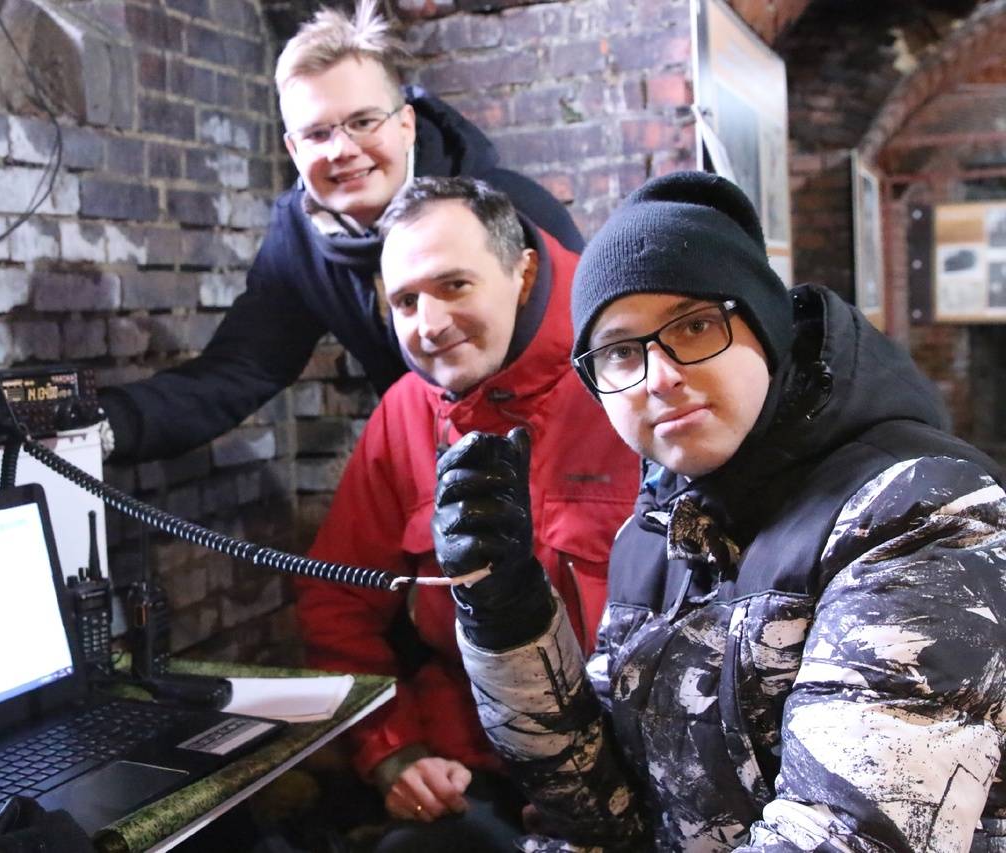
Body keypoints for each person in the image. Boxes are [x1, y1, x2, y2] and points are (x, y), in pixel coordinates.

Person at [431, 171, 1006, 850]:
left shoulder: (920, 512)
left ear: (765, 325)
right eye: (620, 351)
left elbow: (847, 836)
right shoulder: (655, 531)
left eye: (696, 325)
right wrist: (509, 620)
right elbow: (599, 808)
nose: (660, 376)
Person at [294, 177, 638, 851]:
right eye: (405, 300)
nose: (429, 324)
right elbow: (338, 604)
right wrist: (394, 752)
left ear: (522, 272)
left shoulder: (627, 381)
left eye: (454, 285)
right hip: (475, 770)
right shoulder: (405, 411)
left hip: (634, 775)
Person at [98, 0, 583, 463]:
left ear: (406, 125)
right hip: (425, 465)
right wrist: (102, 425)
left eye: (363, 122)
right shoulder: (299, 238)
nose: (341, 150)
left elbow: (590, 351)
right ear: (293, 150)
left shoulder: (514, 211)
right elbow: (241, 370)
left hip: (559, 450)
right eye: (317, 134)